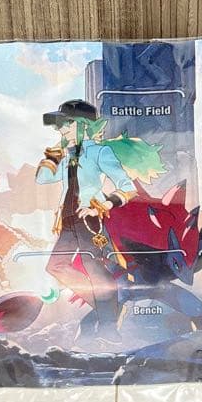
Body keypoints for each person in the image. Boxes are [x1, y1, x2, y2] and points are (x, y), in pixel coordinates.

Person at [35, 99, 163, 342]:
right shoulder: (68, 155)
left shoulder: (100, 152)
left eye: (66, 124)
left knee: (94, 269)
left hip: (89, 220)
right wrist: (53, 155)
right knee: (56, 266)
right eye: (59, 126)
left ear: (83, 125)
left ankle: (109, 327)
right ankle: (109, 311)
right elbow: (42, 179)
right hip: (67, 221)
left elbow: (127, 188)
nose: (60, 130)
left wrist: (103, 206)